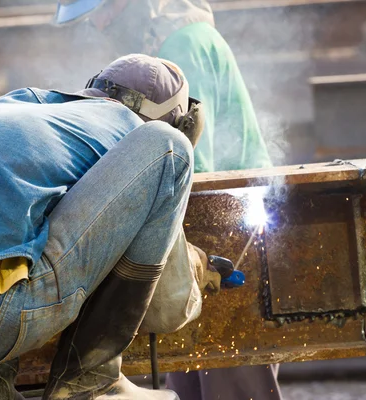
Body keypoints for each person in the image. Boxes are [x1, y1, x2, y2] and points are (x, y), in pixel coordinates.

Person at [0, 54, 223, 400]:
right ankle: (93, 384)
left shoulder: (23, 109)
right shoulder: (134, 134)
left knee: (12, 231)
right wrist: (194, 267)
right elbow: (166, 308)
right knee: (171, 148)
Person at [54, 1, 281, 399]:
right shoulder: (167, 43)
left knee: (229, 371)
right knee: (191, 372)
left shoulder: (182, 45)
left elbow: (185, 162)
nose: (100, 24)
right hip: (208, 219)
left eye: (103, 11)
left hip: (222, 223)